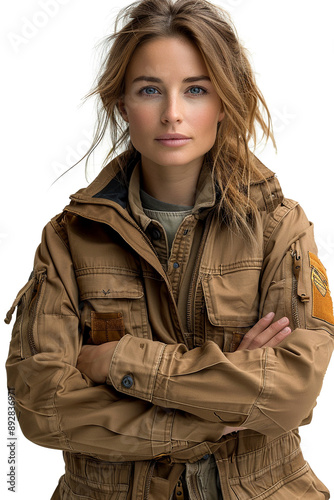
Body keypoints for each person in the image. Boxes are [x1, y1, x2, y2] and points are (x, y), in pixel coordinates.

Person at [5, 0, 334, 498]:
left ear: (224, 102)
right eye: (150, 90)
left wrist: (117, 362)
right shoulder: (69, 239)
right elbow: (40, 407)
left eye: (196, 90)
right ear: (121, 104)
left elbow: (292, 393)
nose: (173, 114)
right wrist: (217, 419)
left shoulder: (278, 226)